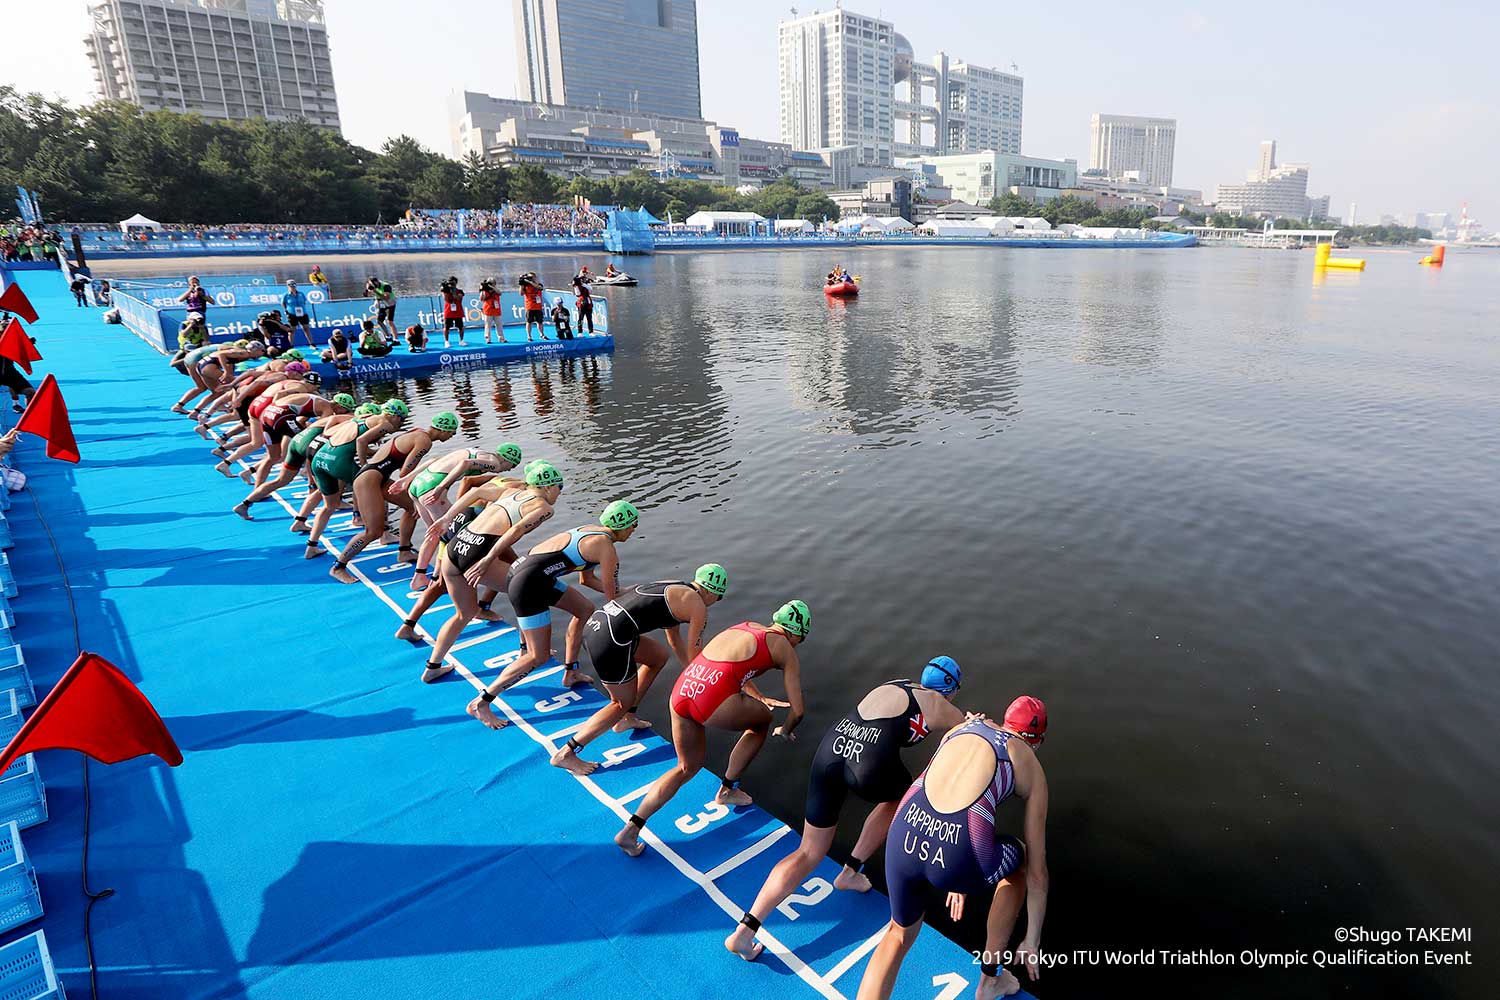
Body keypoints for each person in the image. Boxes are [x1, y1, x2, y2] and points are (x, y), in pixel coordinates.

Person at [725, 658, 973, 961]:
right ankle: (851, 869)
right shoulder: (940, 703)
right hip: (868, 763)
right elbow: (968, 739)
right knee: (902, 796)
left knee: (808, 852)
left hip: (830, 751)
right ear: (950, 689)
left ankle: (745, 930)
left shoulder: (895, 683)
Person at [855, 697, 1050, 1000]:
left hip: (904, 829)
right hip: (958, 853)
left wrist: (954, 874)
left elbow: (951, 794)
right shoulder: (1029, 762)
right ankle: (990, 978)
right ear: (1036, 740)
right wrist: (1031, 938)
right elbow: (1039, 874)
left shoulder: (964, 727)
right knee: (1023, 861)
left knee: (898, 934)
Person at [614, 602, 810, 857]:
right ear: (796, 633)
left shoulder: (745, 627)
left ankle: (632, 828)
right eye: (801, 640)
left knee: (686, 768)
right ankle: (727, 789)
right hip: (711, 699)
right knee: (763, 722)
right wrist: (785, 729)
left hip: (682, 691)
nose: (797, 645)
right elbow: (798, 710)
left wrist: (757, 695)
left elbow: (734, 668)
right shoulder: (784, 647)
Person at [461, 500, 641, 730]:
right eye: (633, 525)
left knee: (584, 609)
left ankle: (571, 671)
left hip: (529, 574)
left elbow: (586, 579)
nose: (634, 530)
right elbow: (611, 597)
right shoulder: (607, 548)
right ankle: (482, 702)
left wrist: (624, 590)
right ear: (625, 525)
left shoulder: (590, 531)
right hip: (529, 584)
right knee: (539, 656)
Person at [550, 565, 726, 777]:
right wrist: (710, 685)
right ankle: (567, 752)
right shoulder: (698, 606)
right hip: (611, 639)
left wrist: (690, 673)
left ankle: (628, 718)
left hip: (598, 624)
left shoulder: (676, 587)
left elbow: (674, 641)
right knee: (618, 703)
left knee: (657, 657)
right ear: (712, 592)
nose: (716, 603)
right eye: (719, 598)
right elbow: (695, 651)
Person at [418, 463, 565, 686]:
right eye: (559, 487)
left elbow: (476, 491)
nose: (560, 492)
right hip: (477, 554)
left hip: (455, 549)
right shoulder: (543, 508)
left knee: (463, 614)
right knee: (527, 590)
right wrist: (488, 560)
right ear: (548, 487)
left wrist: (447, 518)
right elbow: (515, 531)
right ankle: (526, 650)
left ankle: (432, 668)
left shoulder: (511, 491)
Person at [328, 410, 457, 583]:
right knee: (373, 532)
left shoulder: (417, 432)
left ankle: (404, 551)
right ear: (444, 429)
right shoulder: (424, 441)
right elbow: (406, 472)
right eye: (452, 432)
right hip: (368, 480)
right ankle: (338, 566)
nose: (453, 436)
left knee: (412, 508)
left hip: (378, 477)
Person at [390, 439, 522, 575]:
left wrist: (406, 480)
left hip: (417, 484)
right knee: (451, 533)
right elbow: (465, 464)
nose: (509, 469)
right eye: (512, 466)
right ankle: (440, 576)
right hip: (432, 488)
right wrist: (441, 487)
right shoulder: (494, 463)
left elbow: (434, 459)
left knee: (434, 533)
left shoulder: (477, 452)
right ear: (507, 460)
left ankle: (421, 574)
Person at [232, 393, 357, 519]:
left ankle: (245, 504)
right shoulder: (331, 411)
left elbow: (302, 422)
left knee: (279, 473)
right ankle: (318, 498)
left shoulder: (324, 409)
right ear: (341, 407)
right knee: (326, 474)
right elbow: (325, 435)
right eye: (346, 410)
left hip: (272, 418)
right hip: (287, 424)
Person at [304, 400, 402, 557]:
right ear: (395, 416)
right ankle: (384, 534)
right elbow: (360, 441)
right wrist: (365, 466)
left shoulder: (361, 417)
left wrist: (369, 453)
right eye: (401, 420)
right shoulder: (386, 423)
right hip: (338, 461)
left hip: (320, 458)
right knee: (376, 486)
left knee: (330, 506)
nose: (399, 425)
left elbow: (347, 437)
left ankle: (311, 546)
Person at [282, 279, 314, 346]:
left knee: (306, 328)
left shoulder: (301, 294)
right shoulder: (286, 295)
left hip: (303, 313)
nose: (292, 287)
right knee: (292, 330)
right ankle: (290, 345)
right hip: (292, 314)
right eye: (290, 285)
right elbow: (283, 303)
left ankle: (311, 343)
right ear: (288, 286)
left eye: (293, 285)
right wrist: (286, 310)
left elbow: (304, 302)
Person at [366, 276, 397, 340]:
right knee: (379, 321)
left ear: (377, 282)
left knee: (390, 322)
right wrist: (368, 290)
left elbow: (386, 298)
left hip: (390, 304)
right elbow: (365, 295)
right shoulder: (371, 286)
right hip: (381, 304)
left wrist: (375, 291)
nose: (373, 286)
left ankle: (395, 339)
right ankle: (388, 336)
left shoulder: (386, 286)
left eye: (374, 284)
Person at [519, 272, 546, 342]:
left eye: (532, 277)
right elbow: (521, 293)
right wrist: (521, 284)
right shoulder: (526, 286)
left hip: (538, 307)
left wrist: (530, 282)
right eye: (530, 277)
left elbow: (539, 287)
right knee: (529, 322)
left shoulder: (538, 284)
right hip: (529, 307)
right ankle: (529, 336)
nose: (531, 279)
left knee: (540, 322)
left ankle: (542, 334)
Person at [440, 277, 466, 348]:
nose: (451, 284)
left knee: (460, 327)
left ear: (456, 283)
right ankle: (446, 341)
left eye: (453, 282)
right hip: (449, 312)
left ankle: (461, 340)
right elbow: (447, 300)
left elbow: (459, 298)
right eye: (450, 282)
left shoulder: (460, 291)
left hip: (458, 312)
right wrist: (446, 290)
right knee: (446, 327)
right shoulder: (446, 291)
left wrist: (453, 291)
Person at [478, 279, 503, 344]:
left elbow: (500, 293)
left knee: (499, 325)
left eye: (492, 283)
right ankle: (488, 339)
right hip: (488, 311)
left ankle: (501, 338)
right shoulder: (485, 291)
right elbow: (481, 298)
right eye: (490, 283)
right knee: (487, 325)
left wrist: (492, 287)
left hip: (497, 311)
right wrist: (482, 289)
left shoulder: (496, 290)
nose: (491, 284)